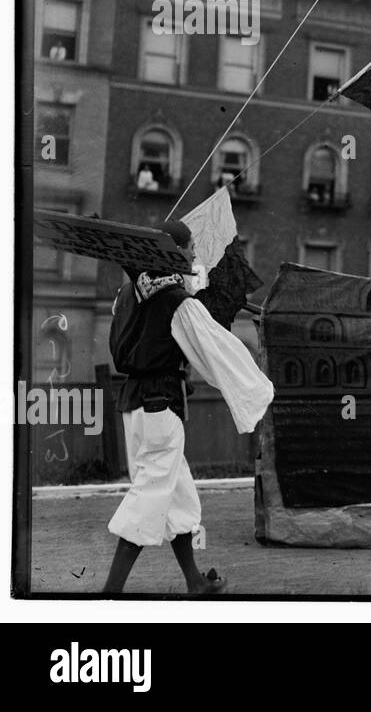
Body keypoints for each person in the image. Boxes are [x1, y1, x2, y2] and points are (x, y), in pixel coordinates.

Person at [103, 220, 272, 594]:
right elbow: (217, 351)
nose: (195, 254)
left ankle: (195, 582)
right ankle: (109, 595)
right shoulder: (177, 303)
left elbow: (120, 347)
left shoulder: (128, 295)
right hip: (161, 407)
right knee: (149, 495)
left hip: (135, 405)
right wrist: (260, 387)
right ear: (172, 253)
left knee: (177, 495)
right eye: (190, 247)